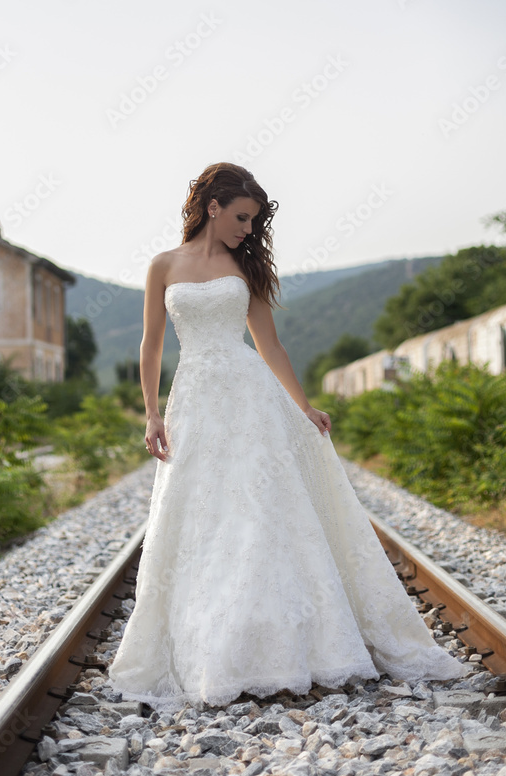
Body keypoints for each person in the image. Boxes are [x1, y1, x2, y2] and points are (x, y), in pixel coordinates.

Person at [107, 162, 464, 710]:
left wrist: (304, 405)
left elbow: (270, 346)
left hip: (251, 400)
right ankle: (213, 648)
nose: (248, 230)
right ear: (213, 208)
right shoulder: (163, 266)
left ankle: (276, 648)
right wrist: (152, 414)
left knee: (258, 515)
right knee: (204, 517)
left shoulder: (243, 267)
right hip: (195, 403)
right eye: (242, 218)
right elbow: (151, 345)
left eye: (254, 221)